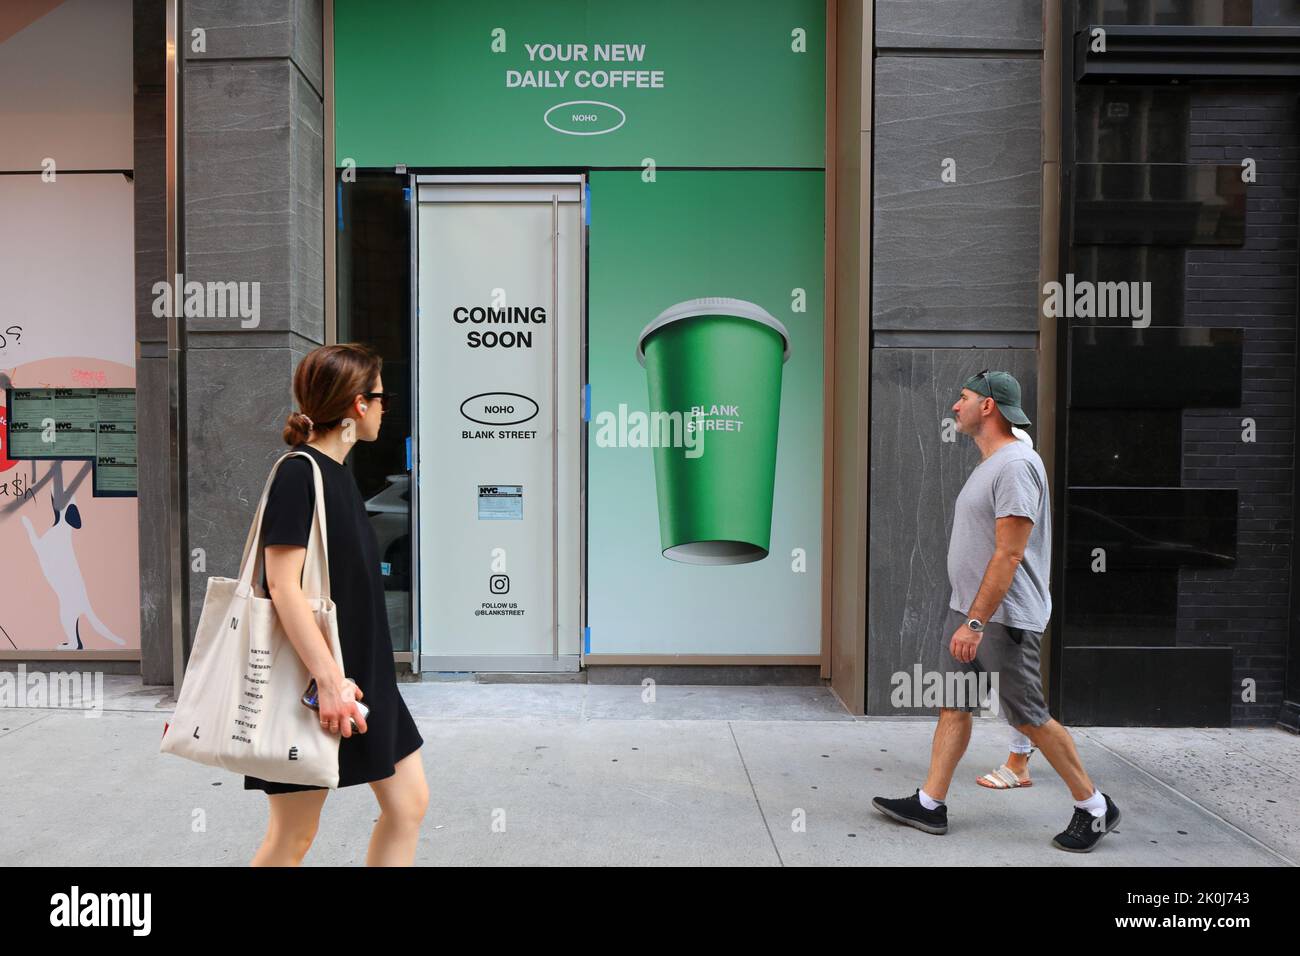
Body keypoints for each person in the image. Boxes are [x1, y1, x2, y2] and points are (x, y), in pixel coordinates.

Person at [872, 370, 1121, 852]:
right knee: (953, 704)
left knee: (1028, 716)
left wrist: (975, 622)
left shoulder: (1015, 466)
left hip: (999, 619)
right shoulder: (991, 462)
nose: (953, 407)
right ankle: (930, 804)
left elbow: (1009, 553)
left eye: (962, 398)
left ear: (988, 406)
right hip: (969, 611)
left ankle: (1094, 808)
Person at [246, 343, 428, 866]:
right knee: (293, 836)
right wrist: (328, 680)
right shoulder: (298, 474)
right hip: (313, 685)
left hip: (366, 678)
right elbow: (281, 585)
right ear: (357, 405)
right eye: (381, 396)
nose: (385, 407)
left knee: (409, 805)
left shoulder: (340, 475)